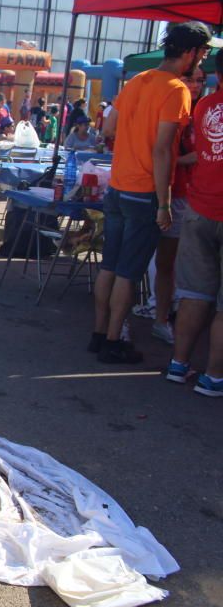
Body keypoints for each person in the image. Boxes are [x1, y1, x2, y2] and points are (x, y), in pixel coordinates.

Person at [89, 21, 213, 364]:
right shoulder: (176, 89)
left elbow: (109, 127)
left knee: (109, 266)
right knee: (129, 271)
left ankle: (100, 335)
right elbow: (162, 149)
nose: (202, 61)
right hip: (144, 191)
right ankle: (114, 340)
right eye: (202, 54)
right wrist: (164, 202)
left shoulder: (138, 81)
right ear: (190, 53)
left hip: (118, 187)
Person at [166, 47, 223, 396]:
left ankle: (178, 363)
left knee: (194, 293)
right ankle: (213, 376)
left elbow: (203, 152)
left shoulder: (203, 106)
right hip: (208, 207)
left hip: (199, 208)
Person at [150, 65, 207, 345]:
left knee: (177, 265)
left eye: (200, 80)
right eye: (189, 79)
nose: (195, 85)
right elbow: (159, 151)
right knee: (155, 263)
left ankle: (166, 319)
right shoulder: (171, 106)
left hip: (192, 197)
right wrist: (186, 159)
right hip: (163, 192)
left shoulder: (205, 111)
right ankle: (156, 318)